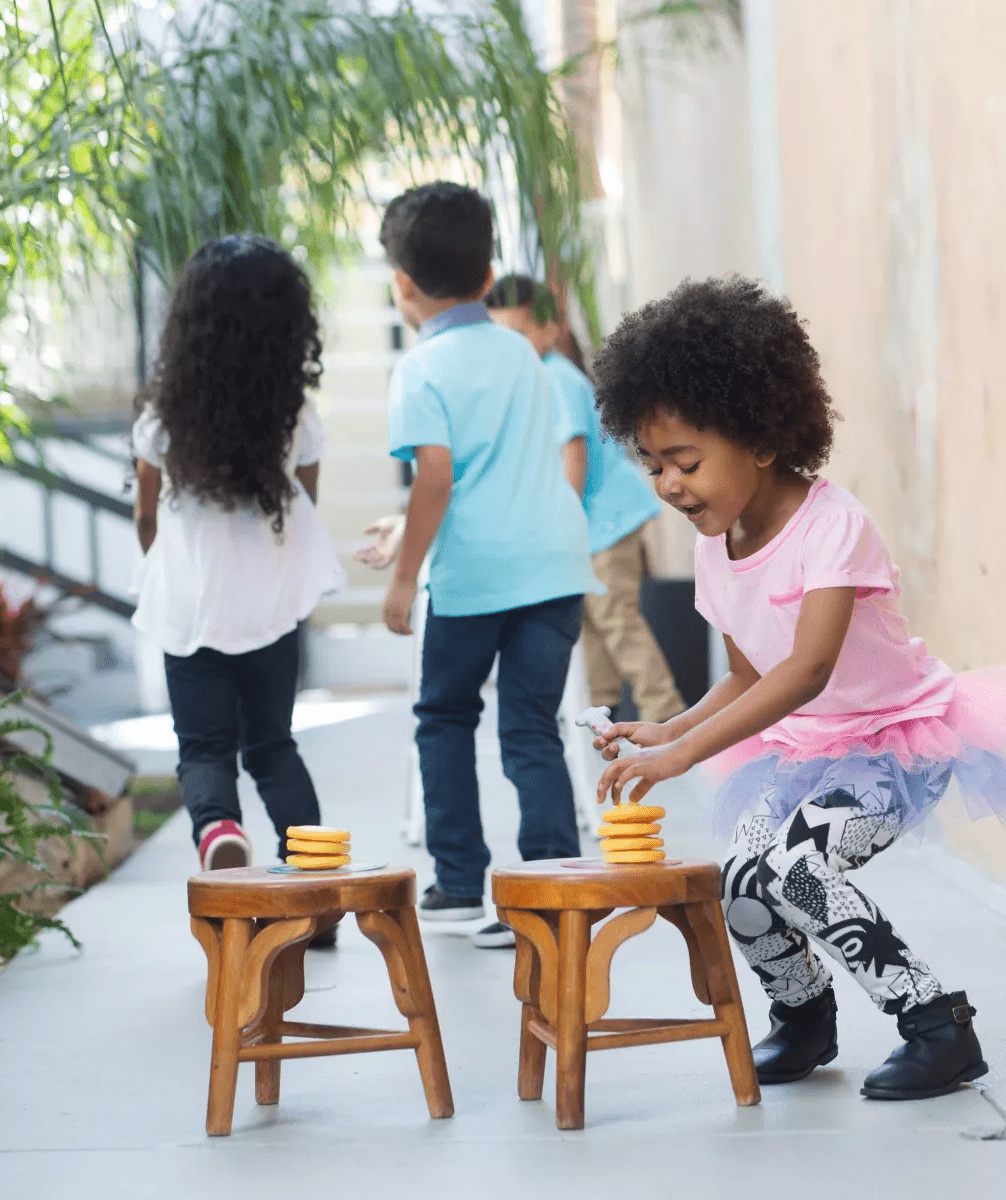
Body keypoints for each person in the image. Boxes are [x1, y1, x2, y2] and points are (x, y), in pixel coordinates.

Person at [589, 276, 1006, 1101]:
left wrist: (688, 755)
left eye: (686, 461)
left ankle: (937, 1025)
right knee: (742, 880)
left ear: (761, 440)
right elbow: (745, 674)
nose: (668, 484)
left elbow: (807, 669)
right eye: (653, 464)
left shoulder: (833, 527)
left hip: (895, 742)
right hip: (810, 751)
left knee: (798, 870)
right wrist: (666, 729)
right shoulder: (712, 545)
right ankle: (803, 1018)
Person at [377, 183, 598, 950]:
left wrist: (405, 576)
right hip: (555, 562)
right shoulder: (520, 350)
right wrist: (405, 532)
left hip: (475, 576)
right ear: (487, 271)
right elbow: (497, 467)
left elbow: (437, 476)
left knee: (443, 718)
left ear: (403, 284)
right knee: (532, 725)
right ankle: (552, 885)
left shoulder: (419, 369)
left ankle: (461, 883)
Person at [131, 235, 345, 881]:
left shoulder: (163, 417)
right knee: (273, 746)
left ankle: (220, 829)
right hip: (270, 607)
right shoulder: (293, 415)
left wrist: (165, 561)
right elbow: (304, 502)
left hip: (191, 603)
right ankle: (314, 868)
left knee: (203, 748)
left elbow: (146, 515)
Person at [483, 274, 685, 725]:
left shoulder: (555, 377)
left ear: (550, 329)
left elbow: (572, 454)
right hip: (594, 523)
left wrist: (559, 522)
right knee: (592, 619)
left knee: (616, 619)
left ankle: (666, 714)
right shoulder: (539, 375)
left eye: (518, 334)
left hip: (605, 521)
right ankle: (603, 709)